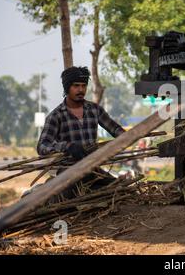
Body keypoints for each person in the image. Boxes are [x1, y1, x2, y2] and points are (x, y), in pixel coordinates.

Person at [34, 66, 125, 200]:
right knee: (74, 197)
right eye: (76, 86)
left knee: (121, 189)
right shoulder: (56, 116)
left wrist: (130, 136)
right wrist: (67, 146)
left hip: (92, 169)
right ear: (67, 88)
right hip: (68, 173)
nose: (81, 90)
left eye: (83, 86)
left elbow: (115, 129)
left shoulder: (94, 110)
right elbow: (42, 146)